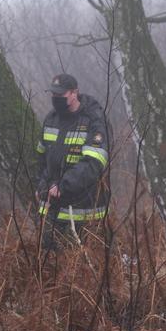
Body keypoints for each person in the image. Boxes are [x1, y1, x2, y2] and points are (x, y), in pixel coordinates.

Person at [35, 73, 110, 251]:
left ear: (74, 93)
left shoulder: (94, 120)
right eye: (53, 94)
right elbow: (41, 159)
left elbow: (94, 163)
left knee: (81, 266)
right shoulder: (50, 119)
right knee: (49, 266)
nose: (56, 98)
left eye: (61, 95)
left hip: (83, 212)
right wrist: (41, 185)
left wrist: (63, 185)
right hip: (51, 211)